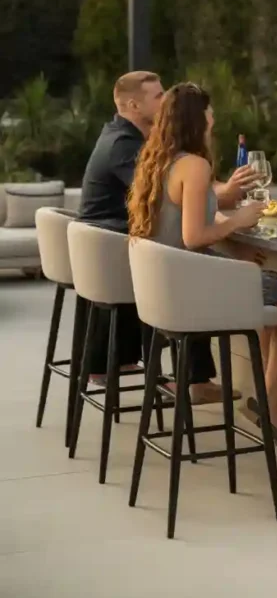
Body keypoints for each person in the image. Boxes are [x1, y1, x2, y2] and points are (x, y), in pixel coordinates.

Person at [128, 82, 277, 447]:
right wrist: (240, 221)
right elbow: (193, 236)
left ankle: (260, 397)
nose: (214, 118)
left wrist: (234, 251)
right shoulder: (194, 165)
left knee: (261, 288)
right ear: (199, 119)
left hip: (165, 288)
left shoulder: (158, 159)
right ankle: (266, 402)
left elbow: (181, 231)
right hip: (192, 289)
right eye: (209, 112)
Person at [78, 71, 255, 401]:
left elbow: (179, 202)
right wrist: (227, 205)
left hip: (133, 252)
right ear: (133, 104)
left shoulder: (144, 145)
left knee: (187, 259)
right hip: (115, 255)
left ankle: (194, 378)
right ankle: (195, 380)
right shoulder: (124, 145)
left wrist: (215, 201)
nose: (165, 101)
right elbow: (179, 202)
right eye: (158, 96)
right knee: (188, 260)